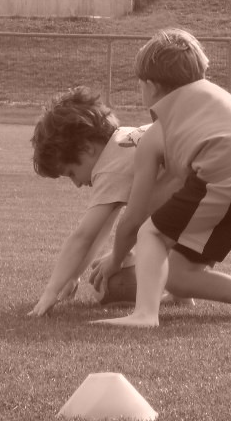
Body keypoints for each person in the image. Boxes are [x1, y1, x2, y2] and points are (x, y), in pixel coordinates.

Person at [89, 28, 231, 328]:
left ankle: (145, 314)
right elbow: (186, 209)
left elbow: (136, 217)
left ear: (151, 87)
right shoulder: (211, 98)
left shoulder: (160, 128)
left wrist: (116, 258)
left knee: (156, 242)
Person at [27, 86, 184, 317]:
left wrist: (51, 291)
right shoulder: (123, 139)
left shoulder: (110, 168)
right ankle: (181, 291)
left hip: (205, 191)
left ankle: (179, 287)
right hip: (209, 181)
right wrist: (72, 276)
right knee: (154, 224)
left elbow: (84, 236)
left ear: (87, 149)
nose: (77, 184)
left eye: (71, 172)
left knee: (146, 233)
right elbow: (100, 230)